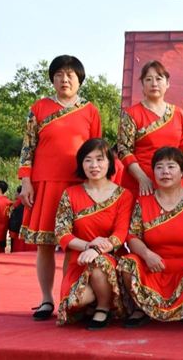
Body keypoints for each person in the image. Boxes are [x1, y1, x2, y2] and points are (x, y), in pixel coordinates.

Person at [18, 55, 102, 320]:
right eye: (59, 75)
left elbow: (97, 152)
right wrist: (26, 181)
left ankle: (70, 297)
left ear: (79, 80)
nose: (64, 80)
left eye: (70, 75)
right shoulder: (39, 107)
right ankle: (46, 299)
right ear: (52, 79)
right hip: (44, 184)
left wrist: (96, 186)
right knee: (45, 244)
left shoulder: (90, 111)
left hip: (78, 185)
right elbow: (27, 147)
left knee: (74, 245)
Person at [118, 147, 183, 327]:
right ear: (153, 172)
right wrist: (147, 255)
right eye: (159, 167)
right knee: (127, 264)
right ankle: (142, 309)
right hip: (153, 269)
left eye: (171, 166)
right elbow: (132, 237)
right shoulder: (143, 201)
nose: (165, 172)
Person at [54, 139, 133, 329]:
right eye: (88, 160)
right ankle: (95, 300)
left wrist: (98, 250)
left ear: (110, 162)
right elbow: (62, 233)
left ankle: (103, 307)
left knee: (99, 265)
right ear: (81, 164)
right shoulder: (70, 194)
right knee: (76, 301)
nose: (94, 165)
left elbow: (121, 233)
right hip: (79, 260)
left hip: (111, 258)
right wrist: (88, 246)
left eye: (100, 159)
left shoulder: (124, 195)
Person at [117, 60, 183, 198]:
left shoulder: (178, 113)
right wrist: (142, 178)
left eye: (159, 79)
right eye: (148, 79)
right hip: (140, 183)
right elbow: (124, 150)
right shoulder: (131, 114)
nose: (154, 83)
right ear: (142, 85)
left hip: (171, 181)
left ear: (167, 83)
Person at [8, 186, 36, 252]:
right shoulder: (34, 202)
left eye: (17, 193)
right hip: (31, 233)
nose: (15, 194)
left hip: (19, 234)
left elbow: (15, 220)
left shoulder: (18, 204)